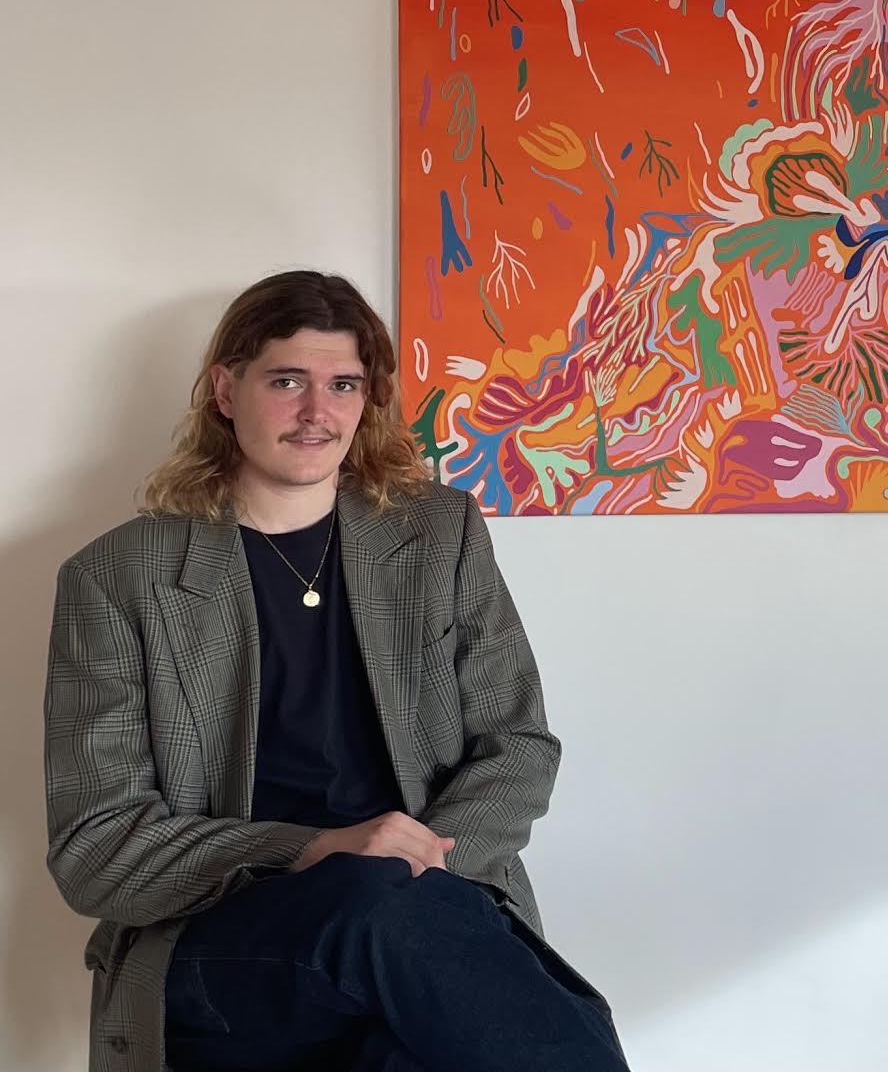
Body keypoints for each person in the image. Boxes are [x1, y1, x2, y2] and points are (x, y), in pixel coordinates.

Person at [43, 270, 630, 1072]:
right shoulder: (118, 577)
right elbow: (97, 847)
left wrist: (414, 862)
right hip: (225, 942)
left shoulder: (440, 534)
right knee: (375, 908)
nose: (318, 412)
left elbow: (518, 747)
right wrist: (317, 848)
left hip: (421, 911)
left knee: (404, 1028)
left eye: (343, 385)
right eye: (287, 381)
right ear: (227, 391)